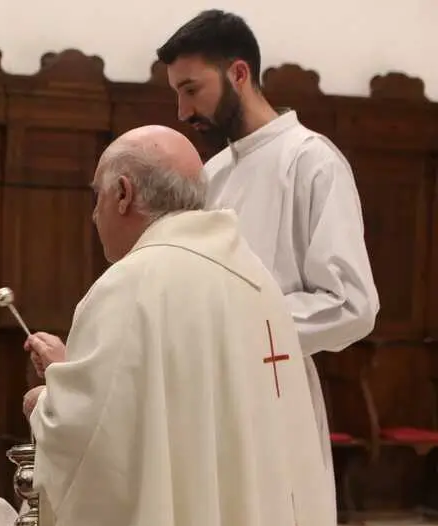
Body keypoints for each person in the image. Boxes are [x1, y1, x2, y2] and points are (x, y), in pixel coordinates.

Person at [22, 125, 348, 526]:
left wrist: (45, 399)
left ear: (123, 193)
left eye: (96, 196)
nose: (95, 214)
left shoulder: (131, 284)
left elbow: (97, 443)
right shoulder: (256, 282)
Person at [154, 9, 380, 495]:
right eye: (177, 93)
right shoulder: (213, 174)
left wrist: (239, 326)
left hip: (275, 401)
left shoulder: (311, 162)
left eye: (191, 89)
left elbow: (352, 304)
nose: (182, 112)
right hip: (208, 401)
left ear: (239, 73)